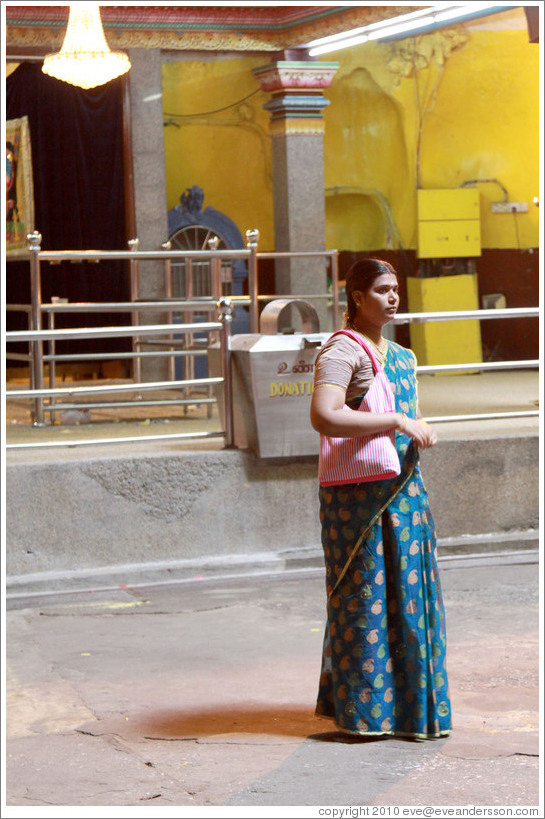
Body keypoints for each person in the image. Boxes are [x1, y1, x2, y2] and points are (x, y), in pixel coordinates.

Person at [310, 258, 451, 739]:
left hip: (406, 493)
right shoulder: (341, 352)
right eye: (382, 290)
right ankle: (366, 714)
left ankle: (411, 712)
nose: (393, 297)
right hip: (360, 504)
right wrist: (395, 421)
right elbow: (325, 416)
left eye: (396, 290)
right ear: (355, 297)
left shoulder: (402, 356)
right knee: (365, 599)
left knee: (411, 599)